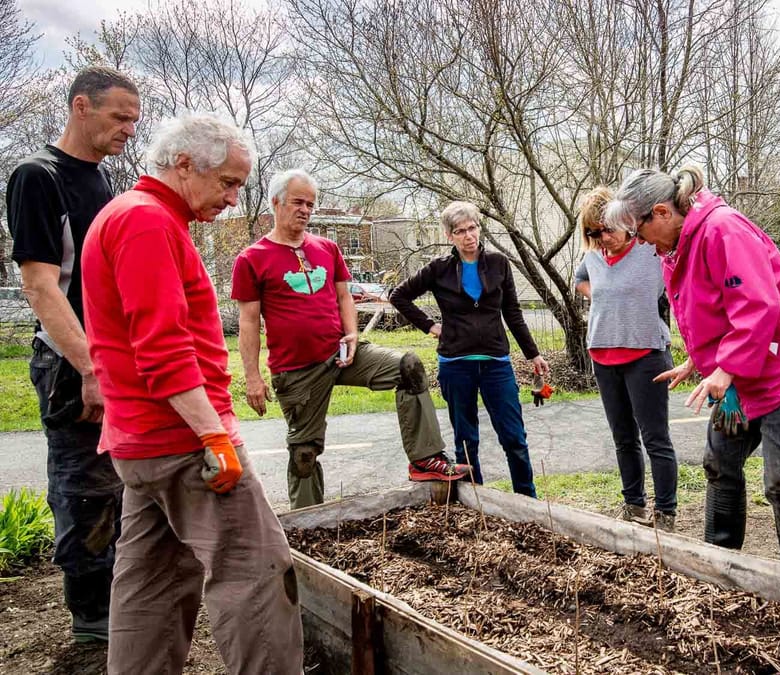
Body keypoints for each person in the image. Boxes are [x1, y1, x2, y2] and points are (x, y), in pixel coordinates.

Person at [81, 113, 302, 674]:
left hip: (143, 445)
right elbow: (161, 348)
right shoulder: (146, 223)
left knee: (152, 583)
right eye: (227, 182)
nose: (233, 199)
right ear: (184, 165)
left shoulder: (135, 216)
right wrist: (213, 434)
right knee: (258, 571)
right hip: (184, 444)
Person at [605, 166, 780, 568]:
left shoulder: (722, 230)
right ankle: (720, 565)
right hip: (740, 374)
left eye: (639, 231)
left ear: (660, 212)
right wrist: (699, 360)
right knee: (720, 464)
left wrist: (724, 369)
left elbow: (758, 306)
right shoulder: (674, 248)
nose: (640, 242)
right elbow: (713, 313)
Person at [231, 169, 468, 510]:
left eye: (311, 204)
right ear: (276, 203)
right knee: (304, 453)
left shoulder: (326, 248)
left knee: (409, 366)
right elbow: (249, 322)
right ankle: (308, 525)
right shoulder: (252, 259)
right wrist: (252, 377)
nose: (306, 210)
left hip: (342, 353)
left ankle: (425, 459)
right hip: (297, 370)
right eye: (298, 202)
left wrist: (353, 333)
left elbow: (344, 296)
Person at [5, 66, 140, 643]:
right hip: (70, 362)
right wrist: (90, 367)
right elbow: (40, 286)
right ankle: (91, 615)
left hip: (108, 354)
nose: (129, 130)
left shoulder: (102, 181)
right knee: (84, 482)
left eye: (134, 120)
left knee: (117, 481)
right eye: (119, 117)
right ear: (81, 106)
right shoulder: (38, 176)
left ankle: (117, 597)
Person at [389, 201, 549, 498]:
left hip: (496, 364)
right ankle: (475, 501)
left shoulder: (499, 263)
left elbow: (512, 312)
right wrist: (430, 326)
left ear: (479, 228)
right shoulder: (439, 269)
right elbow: (398, 296)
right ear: (450, 236)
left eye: (472, 228)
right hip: (456, 365)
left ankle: (528, 500)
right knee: (466, 439)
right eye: (460, 231)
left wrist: (533, 354)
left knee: (514, 436)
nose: (468, 236)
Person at [574, 186, 678, 532]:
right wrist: (606, 301)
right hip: (603, 355)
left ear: (626, 222)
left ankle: (665, 514)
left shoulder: (651, 252)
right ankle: (634, 507)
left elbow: (679, 283)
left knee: (655, 438)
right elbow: (580, 282)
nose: (602, 238)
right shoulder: (592, 259)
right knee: (623, 438)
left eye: (607, 229)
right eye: (593, 232)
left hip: (645, 355)